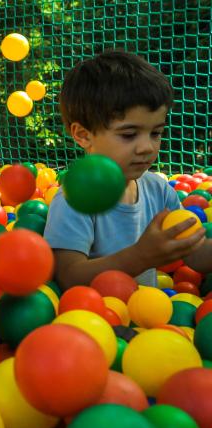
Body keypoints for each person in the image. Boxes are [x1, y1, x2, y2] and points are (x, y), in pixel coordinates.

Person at [44, 50, 211, 289]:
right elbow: (68, 276)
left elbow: (196, 252)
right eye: (129, 134)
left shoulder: (158, 189)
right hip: (96, 320)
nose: (146, 147)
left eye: (156, 133)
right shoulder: (75, 200)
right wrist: (139, 257)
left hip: (150, 322)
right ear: (83, 135)